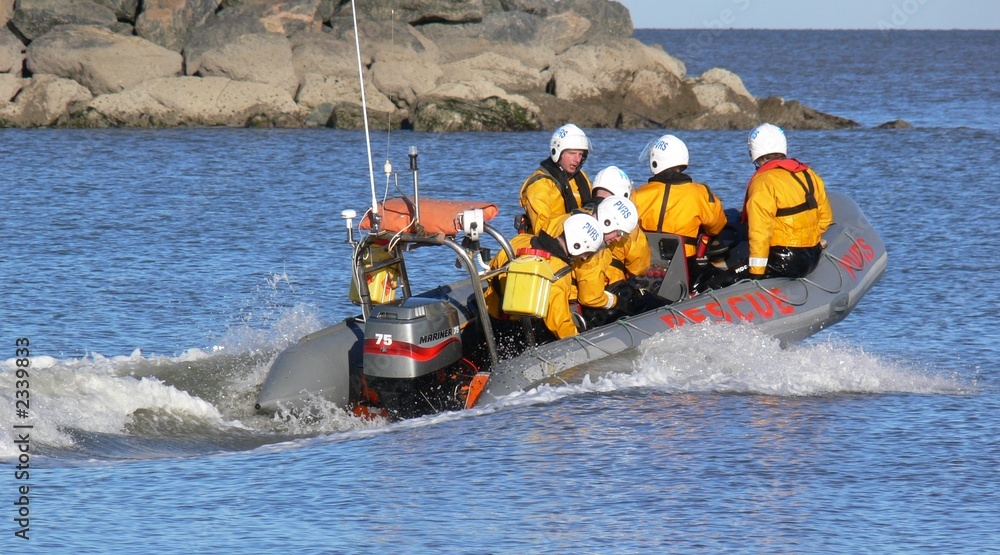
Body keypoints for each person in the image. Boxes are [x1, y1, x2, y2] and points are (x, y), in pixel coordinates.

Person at [484, 212, 603, 356]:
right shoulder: (559, 272)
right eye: (587, 253)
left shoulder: (521, 240)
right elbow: (558, 322)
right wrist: (581, 346)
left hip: (489, 317)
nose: (584, 258)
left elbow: (491, 272)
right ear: (577, 245)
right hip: (519, 331)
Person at [632, 134, 727, 289]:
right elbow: (717, 226)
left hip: (645, 266)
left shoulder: (637, 194)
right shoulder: (700, 193)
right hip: (686, 267)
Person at [738, 123, 832, 279]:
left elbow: (760, 232)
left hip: (783, 259)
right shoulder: (808, 174)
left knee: (719, 281)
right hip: (812, 256)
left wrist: (756, 273)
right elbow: (825, 219)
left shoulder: (763, 183)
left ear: (753, 152)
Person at [517, 123, 594, 235]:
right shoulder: (540, 185)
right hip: (548, 247)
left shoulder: (581, 177)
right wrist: (577, 218)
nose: (577, 160)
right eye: (572, 153)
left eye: (581, 155)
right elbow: (542, 229)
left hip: (583, 240)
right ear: (557, 152)